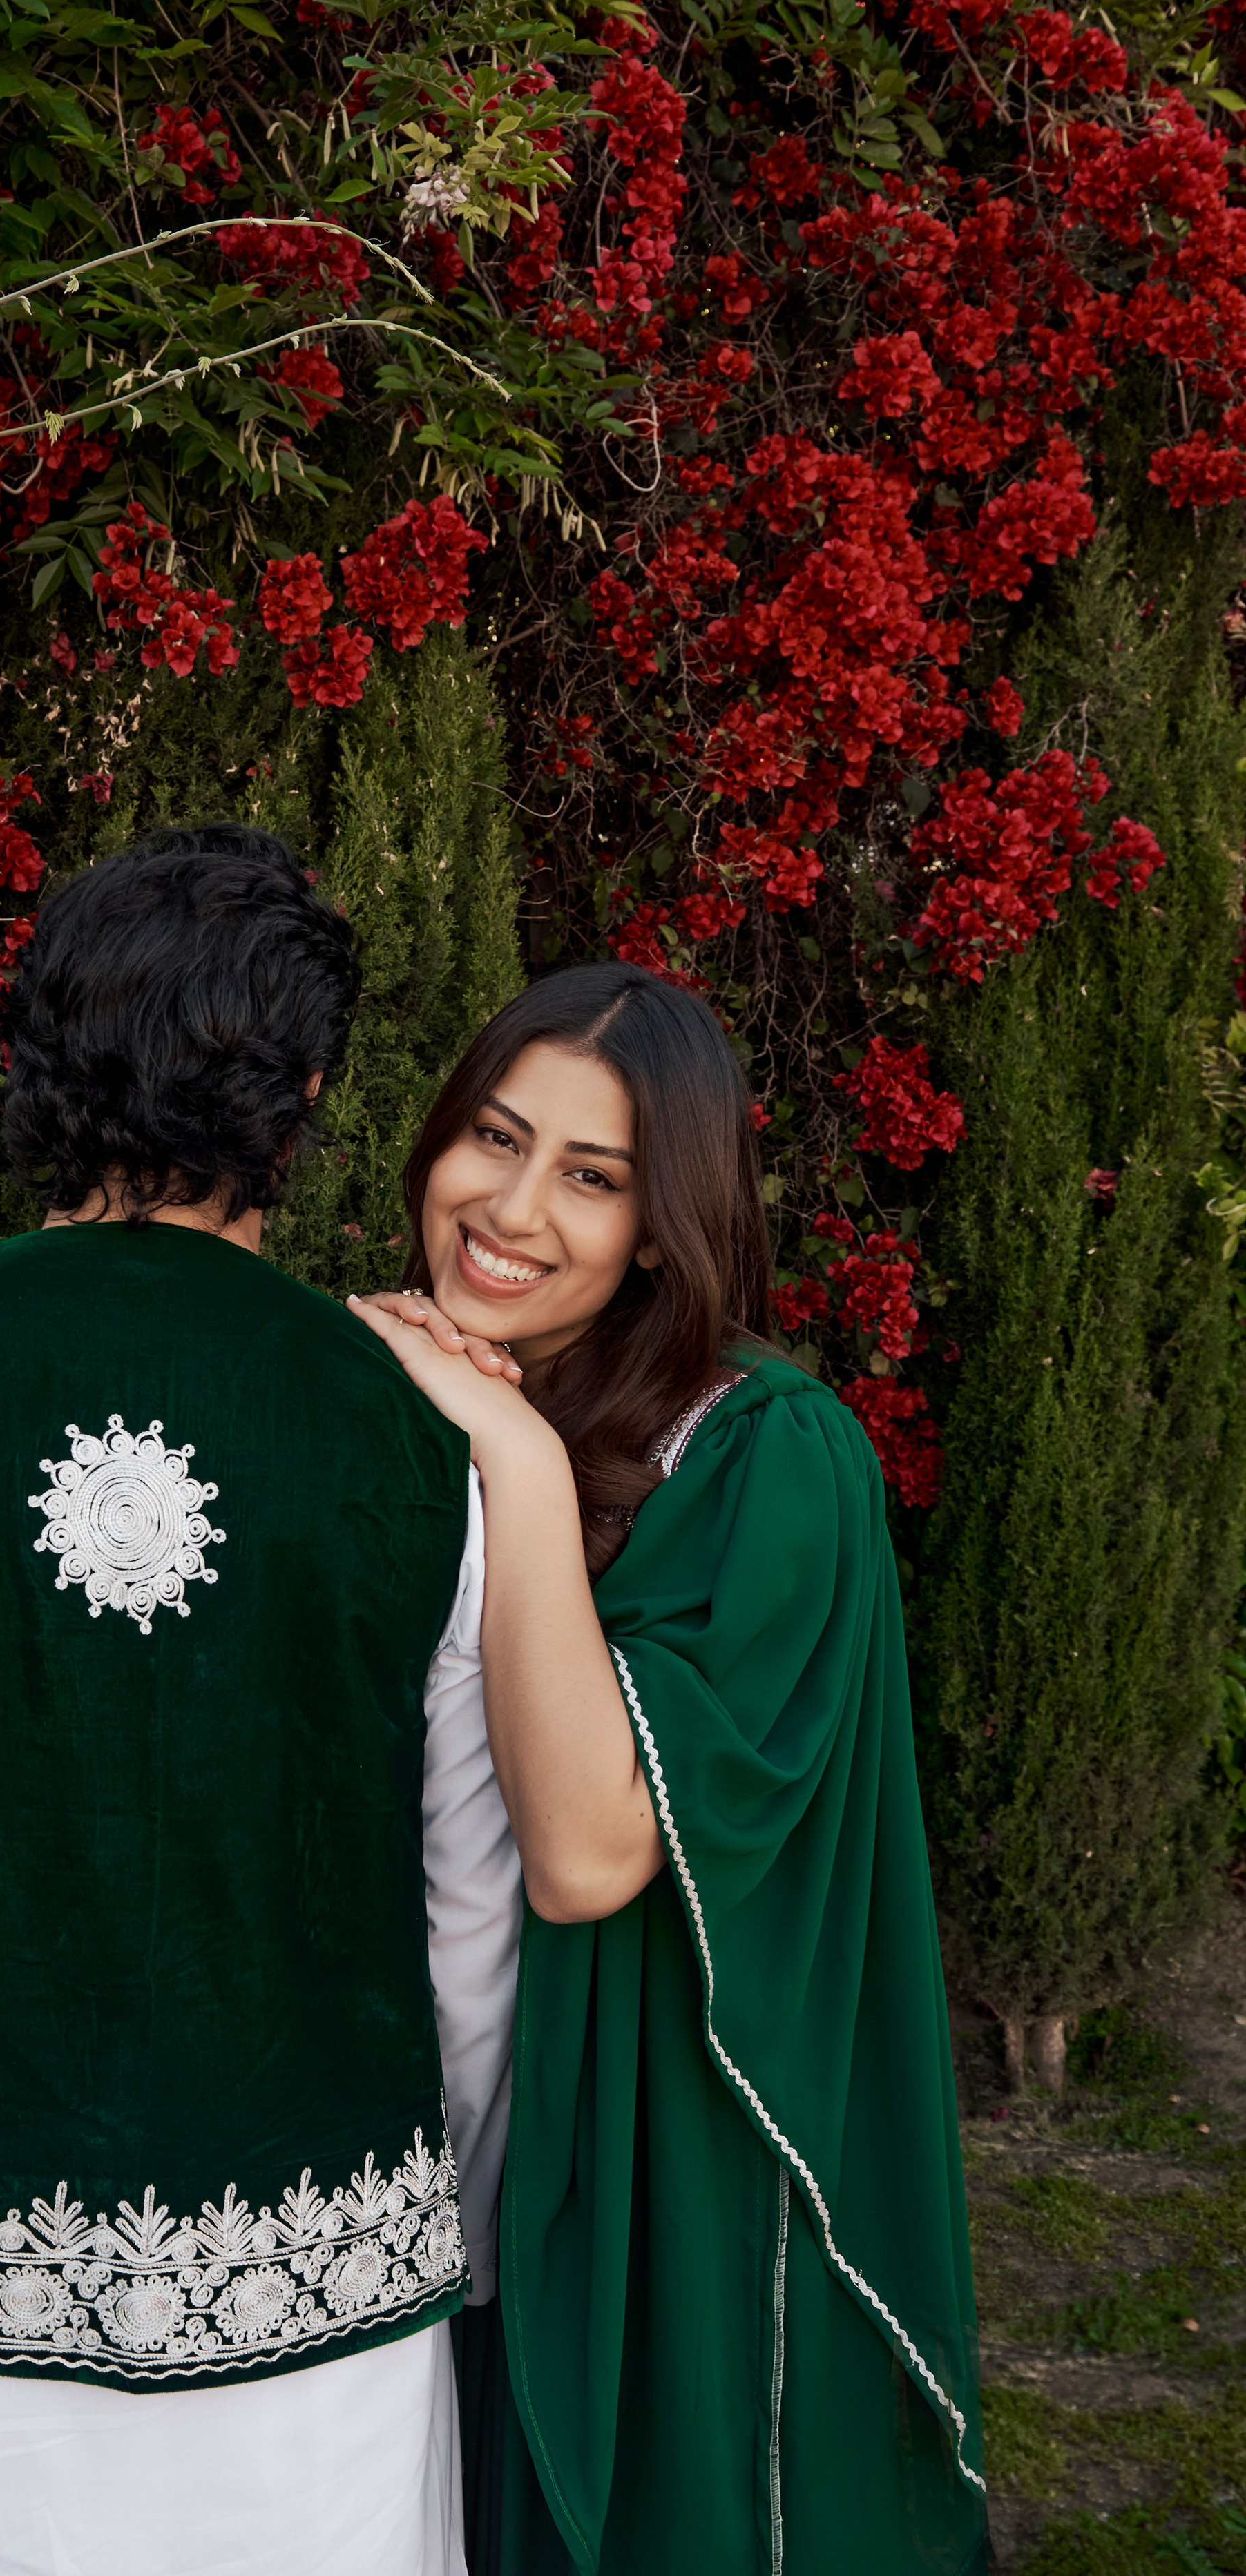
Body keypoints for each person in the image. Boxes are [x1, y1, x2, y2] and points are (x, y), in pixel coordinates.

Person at [0, 824, 523, 2576]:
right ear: (298, 1090)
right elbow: (466, 1908)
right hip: (319, 2289)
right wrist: (466, 2232)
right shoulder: (413, 1430)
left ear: (40, 1054)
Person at [348, 961, 991, 2576]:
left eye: (590, 1175)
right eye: (491, 1138)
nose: (506, 1206)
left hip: (657, 2160)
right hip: (405, 2142)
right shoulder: (402, 1390)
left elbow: (587, 1852)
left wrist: (509, 1460)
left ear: (662, 1224)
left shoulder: (767, 1458)